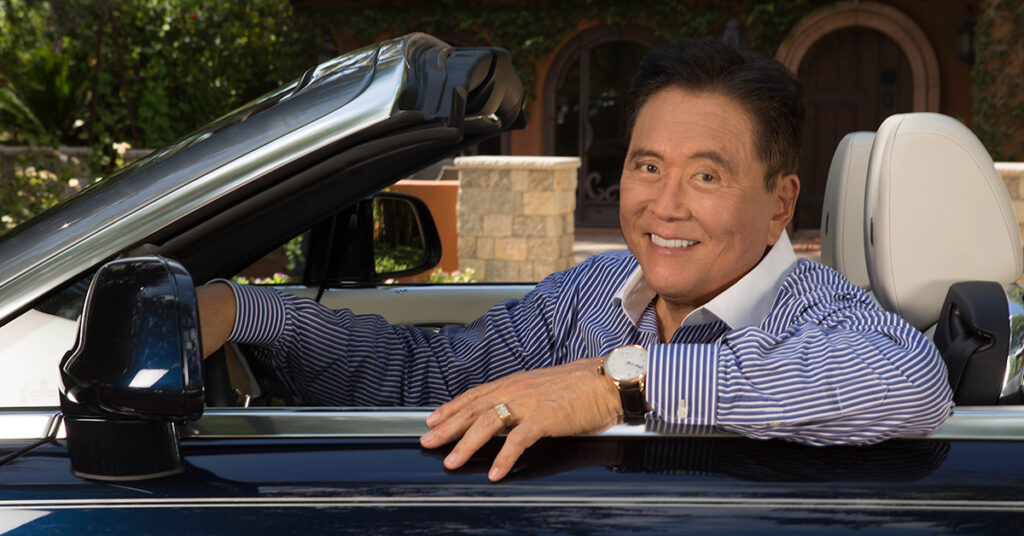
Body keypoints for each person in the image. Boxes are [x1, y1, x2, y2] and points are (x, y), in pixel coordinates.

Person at [196, 39, 953, 482]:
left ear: (781, 204)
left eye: (707, 176)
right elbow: (429, 381)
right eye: (648, 166)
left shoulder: (818, 307)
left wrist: (616, 386)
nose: (665, 206)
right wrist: (247, 311)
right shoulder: (591, 292)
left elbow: (910, 382)